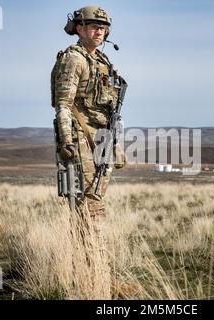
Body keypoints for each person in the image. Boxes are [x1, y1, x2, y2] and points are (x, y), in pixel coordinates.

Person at [50, 5, 126, 219]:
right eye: (94, 26)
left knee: (96, 197)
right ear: (80, 29)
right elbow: (63, 104)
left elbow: (109, 110)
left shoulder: (102, 62)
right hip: (80, 135)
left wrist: (116, 145)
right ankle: (91, 250)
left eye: (103, 28)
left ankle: (91, 251)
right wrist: (67, 142)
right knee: (88, 203)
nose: (100, 31)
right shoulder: (74, 59)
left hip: (101, 136)